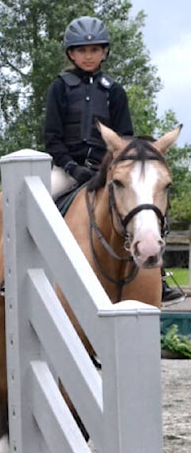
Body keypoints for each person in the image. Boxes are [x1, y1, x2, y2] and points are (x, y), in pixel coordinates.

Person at [44, 15, 182, 302]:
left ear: (104, 52)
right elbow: (52, 137)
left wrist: (114, 168)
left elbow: (126, 137)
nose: (88, 56)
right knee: (38, 199)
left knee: (142, 202)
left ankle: (158, 275)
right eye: (82, 50)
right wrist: (71, 166)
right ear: (71, 53)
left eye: (94, 50)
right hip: (67, 168)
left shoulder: (113, 91)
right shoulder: (60, 87)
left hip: (108, 168)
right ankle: (20, 272)